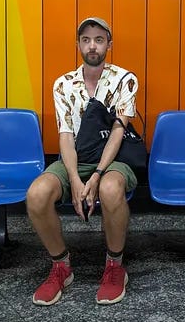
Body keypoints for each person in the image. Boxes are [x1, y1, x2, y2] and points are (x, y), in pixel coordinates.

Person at [26, 17, 138, 306]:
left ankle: (115, 266)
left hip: (112, 158)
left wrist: (98, 174)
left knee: (111, 190)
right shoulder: (63, 84)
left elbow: (117, 131)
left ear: (109, 45)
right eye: (86, 39)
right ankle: (61, 266)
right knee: (37, 194)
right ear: (78, 44)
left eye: (99, 40)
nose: (92, 45)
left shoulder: (125, 79)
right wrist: (75, 180)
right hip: (76, 157)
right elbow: (65, 135)